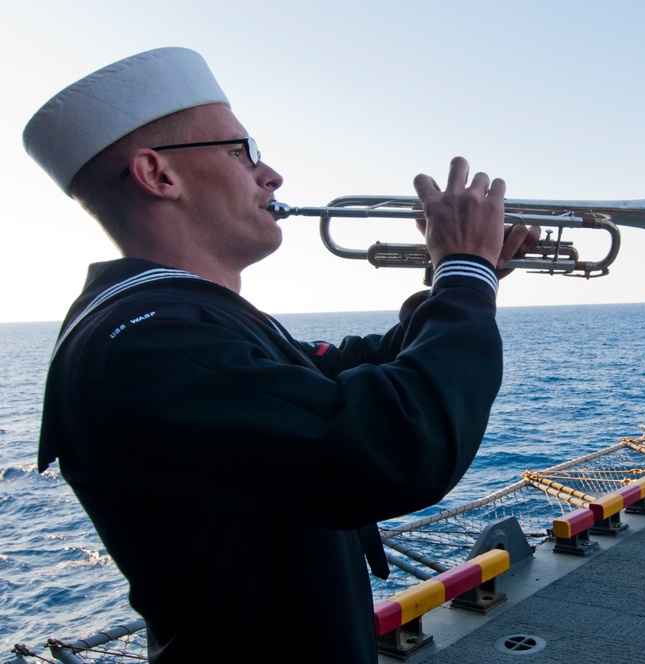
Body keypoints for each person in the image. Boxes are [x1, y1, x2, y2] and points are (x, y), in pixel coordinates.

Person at [23, 47, 539, 663]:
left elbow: (353, 371)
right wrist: (463, 274)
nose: (271, 176)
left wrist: (464, 278)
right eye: (245, 152)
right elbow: (398, 442)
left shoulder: (178, 320)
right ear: (159, 175)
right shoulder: (145, 340)